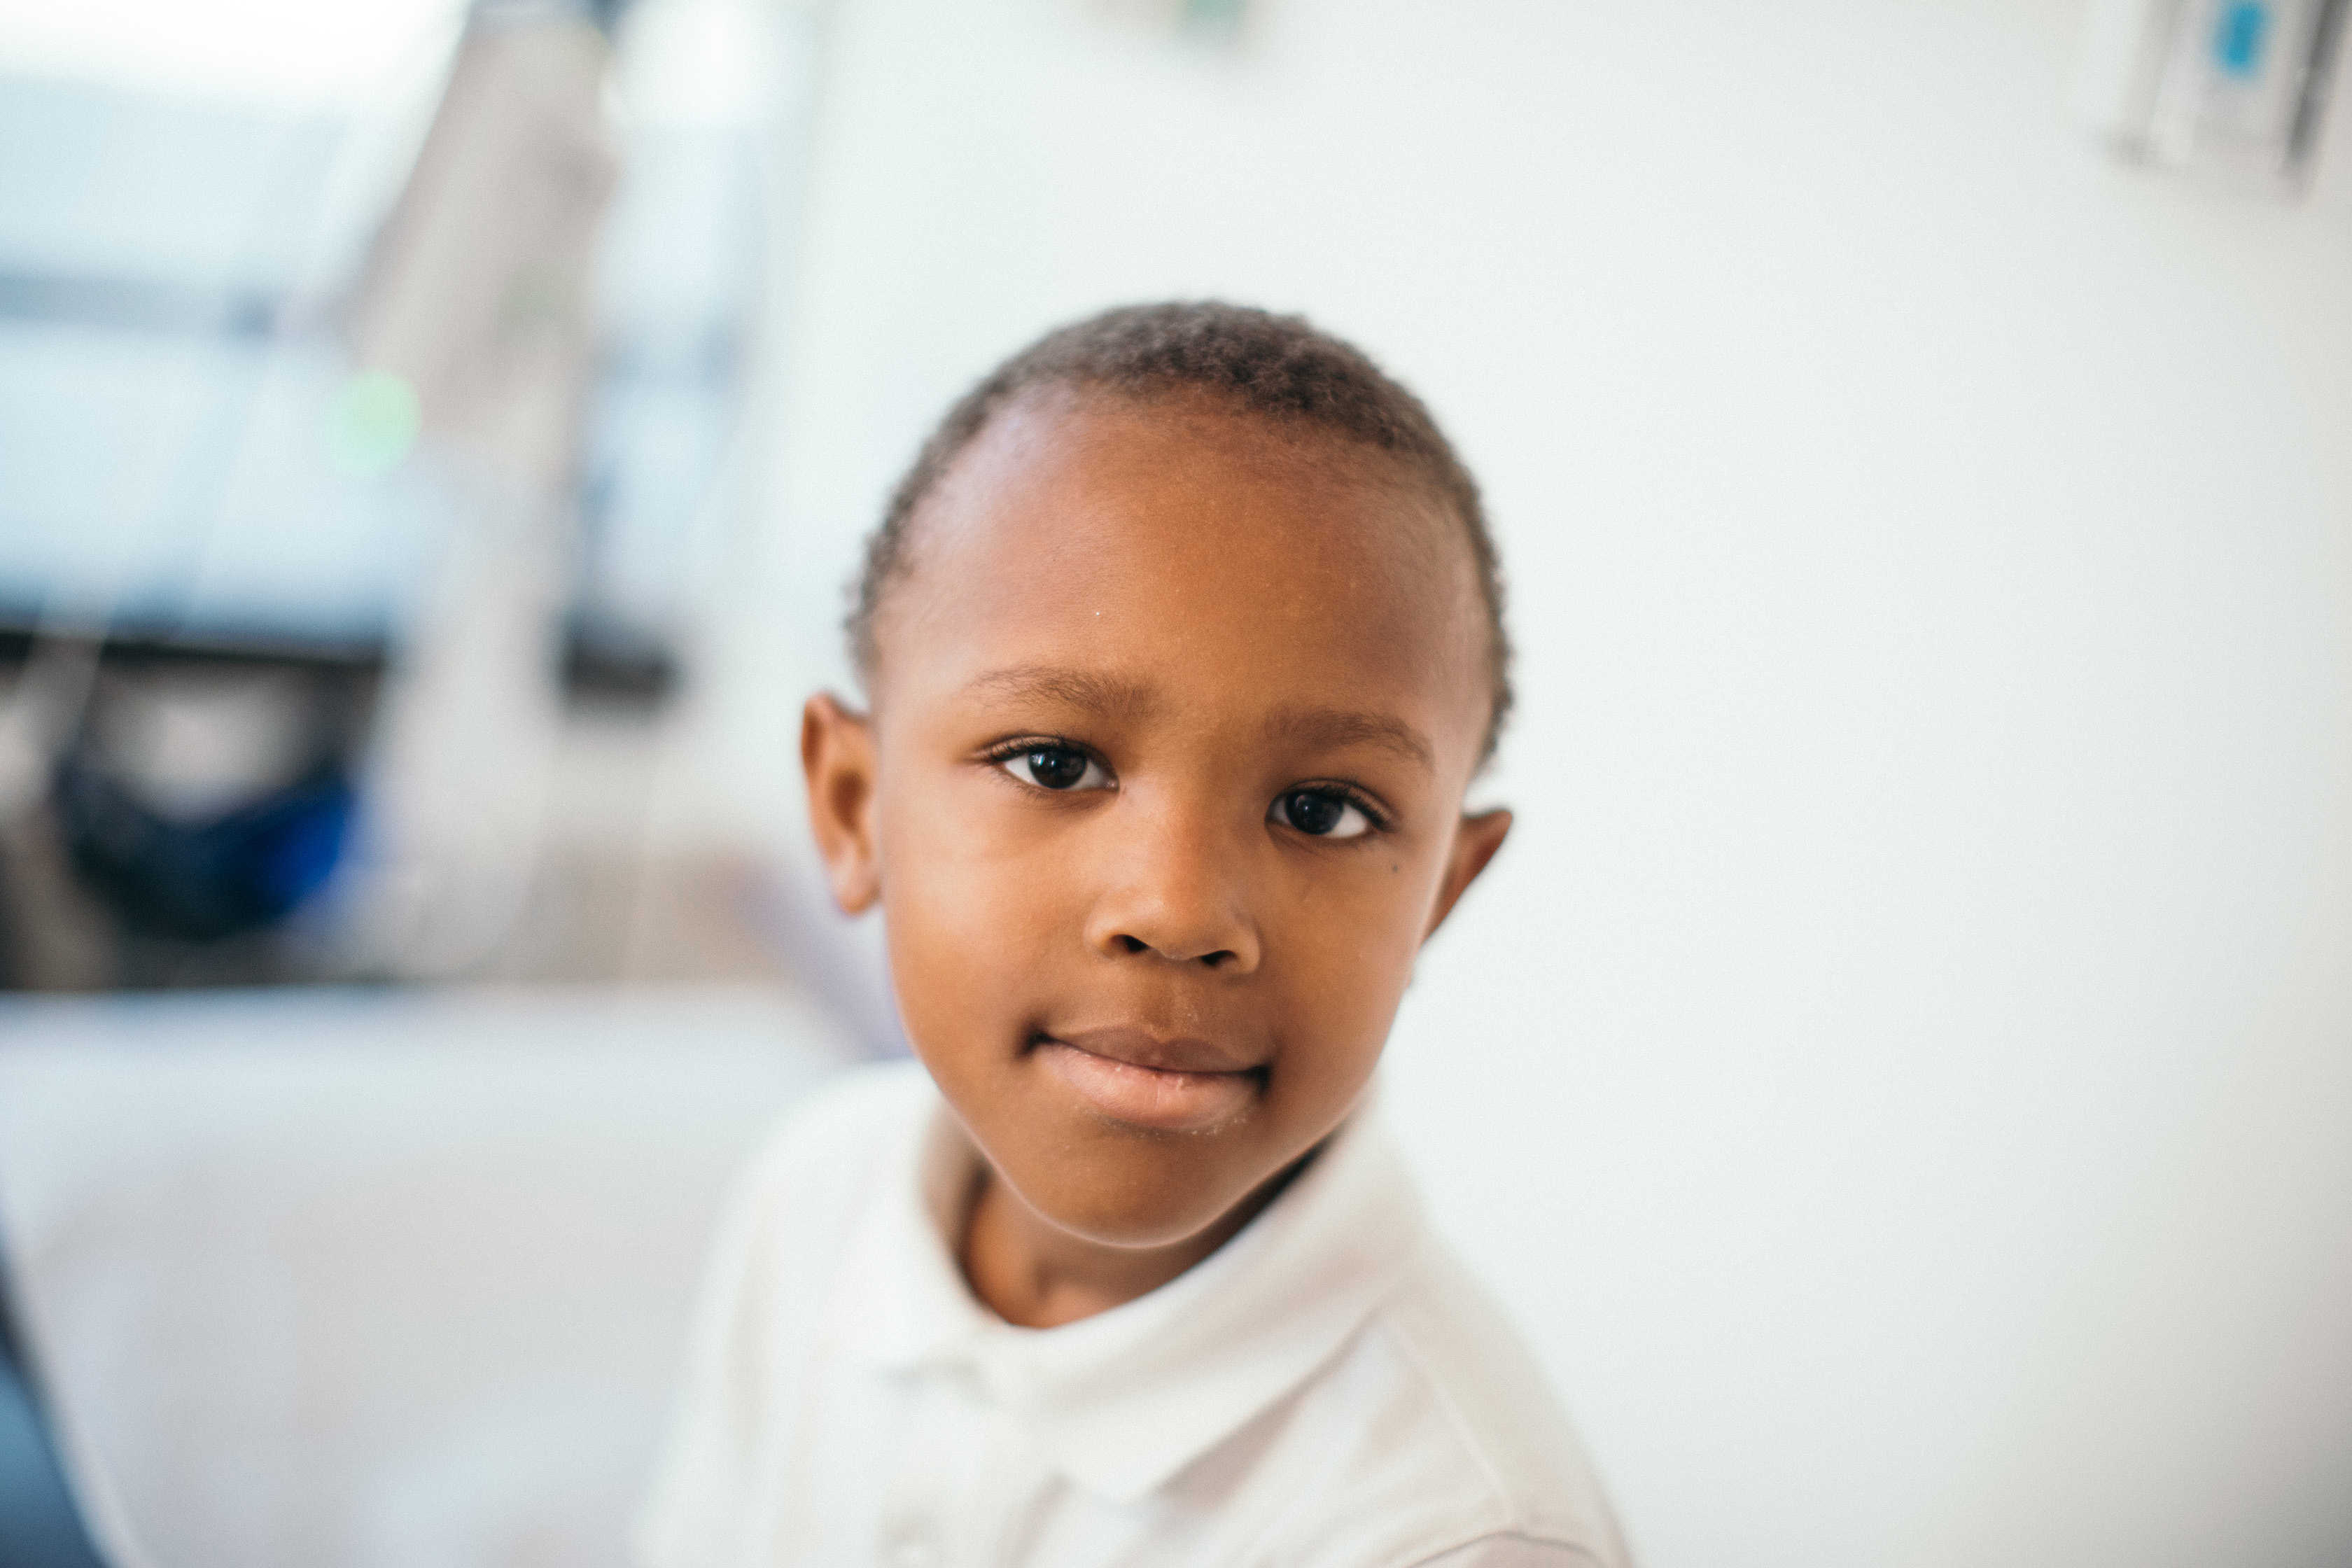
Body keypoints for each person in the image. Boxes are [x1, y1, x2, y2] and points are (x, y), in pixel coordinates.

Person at [637, 302, 1629, 1567]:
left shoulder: (1455, 1532)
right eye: (1056, 763)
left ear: (1437, 895)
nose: (1177, 912)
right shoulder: (814, 1197)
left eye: (1321, 810)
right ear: (851, 808)